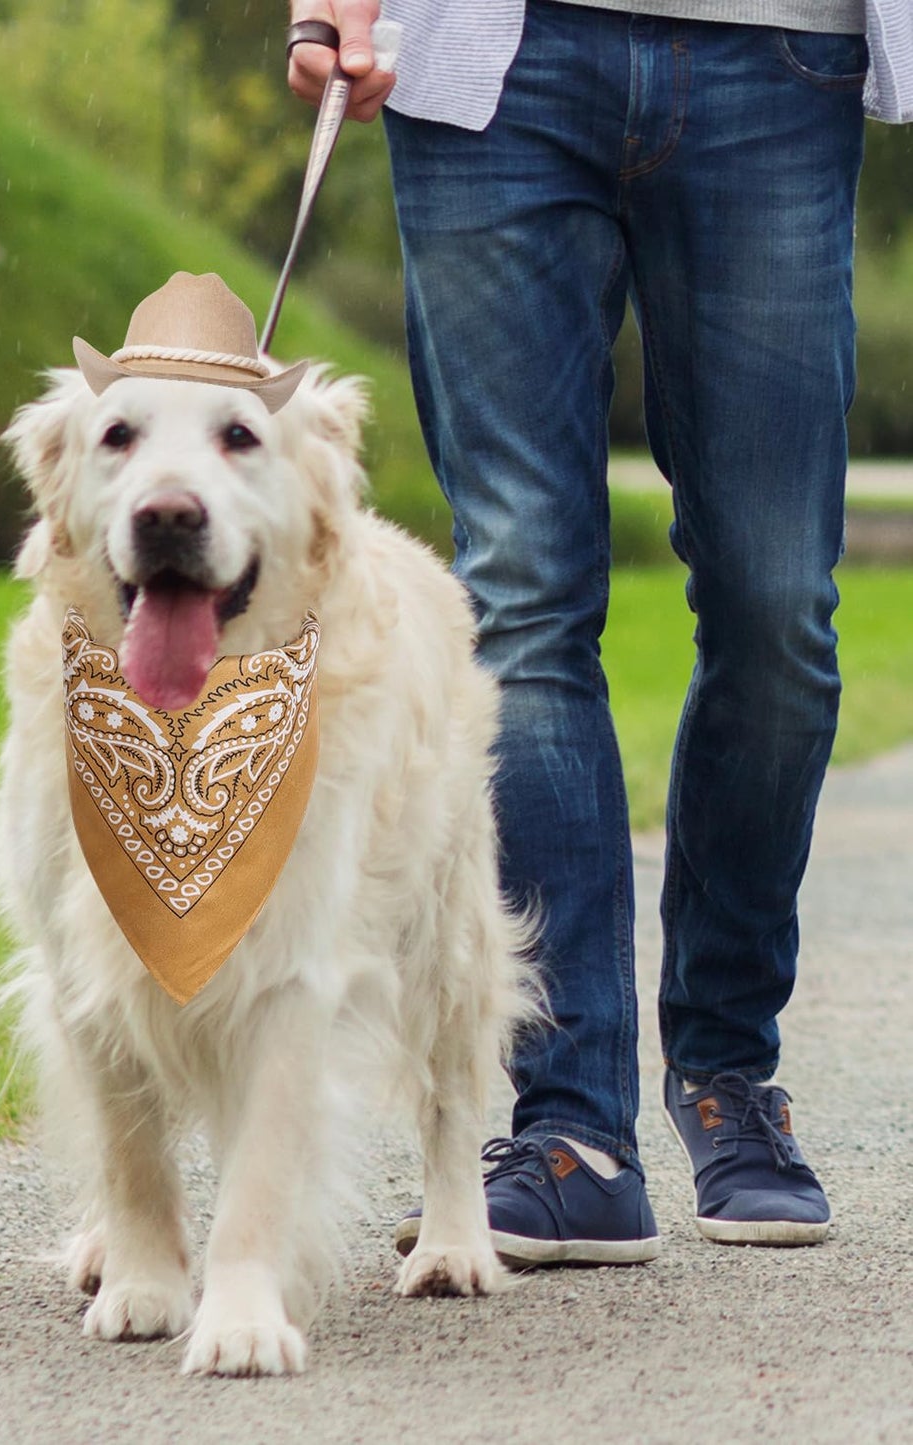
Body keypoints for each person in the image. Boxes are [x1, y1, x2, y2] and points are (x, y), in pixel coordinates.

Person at [287, 0, 913, 1266]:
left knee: (775, 606)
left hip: (778, 52)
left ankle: (727, 1068)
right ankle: (570, 1129)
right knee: (519, 594)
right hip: (493, 63)